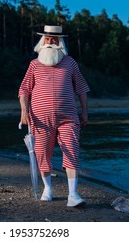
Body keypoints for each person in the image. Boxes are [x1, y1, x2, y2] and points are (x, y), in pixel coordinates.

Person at [18, 25, 90, 207]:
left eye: (54, 39)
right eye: (48, 39)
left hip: (68, 118)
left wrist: (85, 113)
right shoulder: (34, 64)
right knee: (42, 153)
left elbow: (81, 89)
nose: (51, 41)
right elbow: (24, 90)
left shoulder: (70, 62)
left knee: (72, 150)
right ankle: (48, 189)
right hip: (40, 120)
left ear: (60, 42)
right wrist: (23, 112)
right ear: (43, 41)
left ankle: (73, 195)